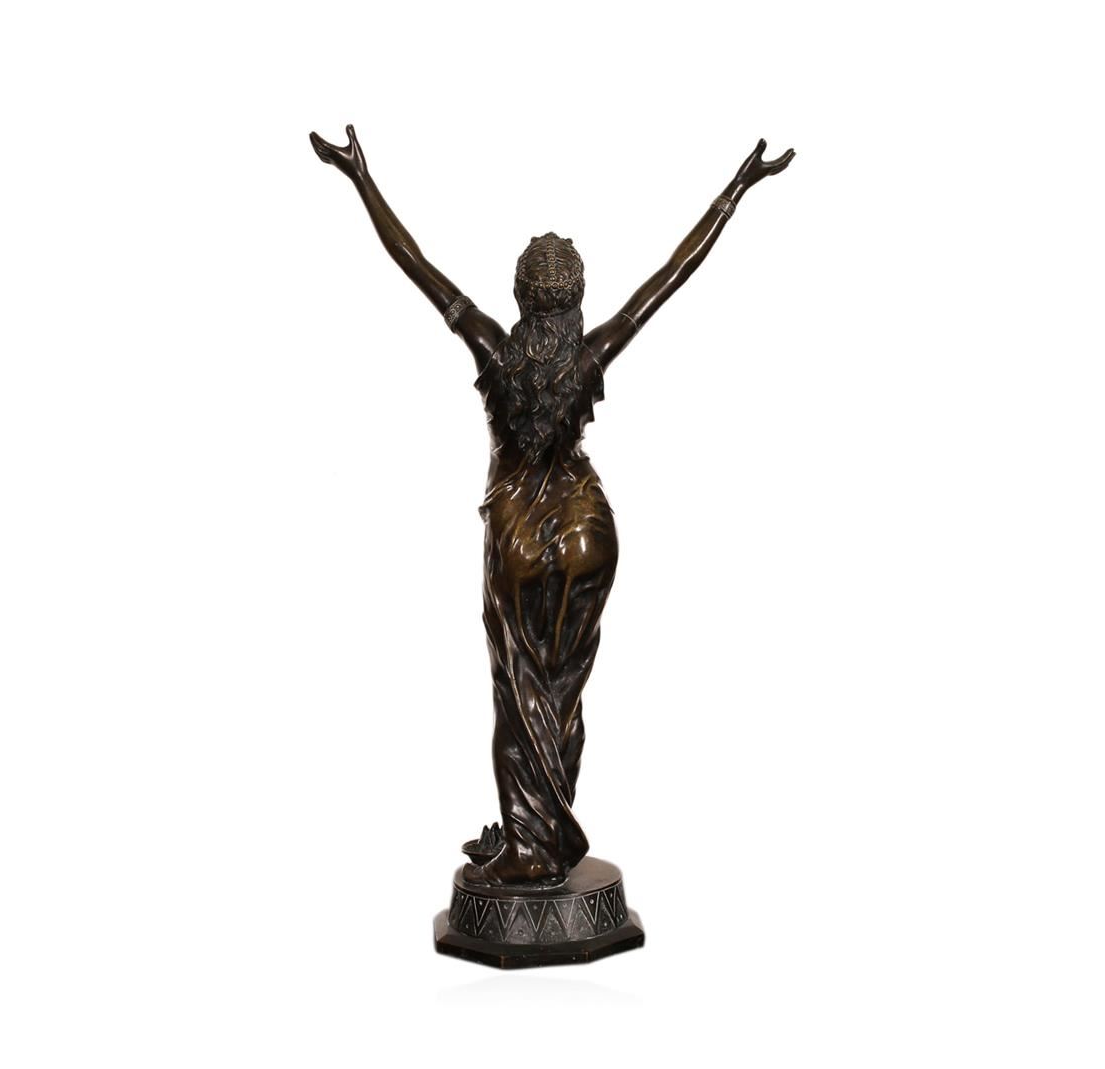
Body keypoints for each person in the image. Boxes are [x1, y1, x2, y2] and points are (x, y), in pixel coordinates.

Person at [310, 125, 794, 885]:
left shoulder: (493, 349)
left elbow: (416, 264)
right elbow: (667, 279)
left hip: (518, 536)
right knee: (563, 689)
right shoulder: (591, 352)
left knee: (519, 692)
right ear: (576, 299)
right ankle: (547, 836)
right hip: (588, 526)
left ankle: (531, 843)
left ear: (518, 295)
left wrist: (361, 180)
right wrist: (735, 191)